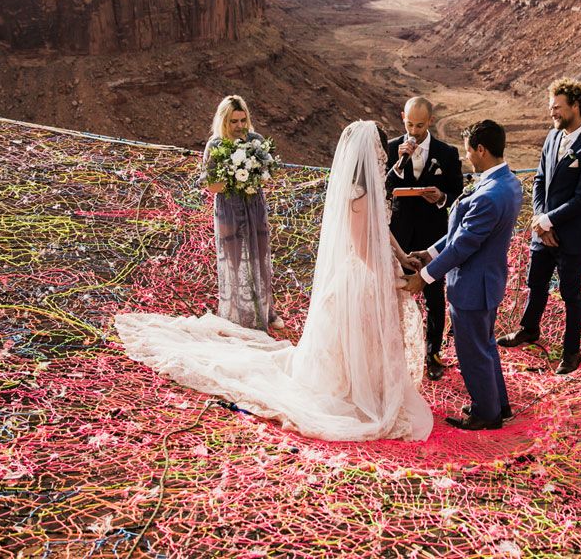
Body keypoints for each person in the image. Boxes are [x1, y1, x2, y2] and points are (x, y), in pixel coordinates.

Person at [115, 121, 433, 442]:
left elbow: (380, 228)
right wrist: (392, 278)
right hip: (360, 280)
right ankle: (354, 392)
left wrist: (402, 256)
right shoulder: (357, 196)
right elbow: (364, 247)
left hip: (370, 276)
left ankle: (371, 389)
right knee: (352, 341)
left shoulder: (371, 191)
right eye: (381, 151)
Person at [405, 120, 522, 431]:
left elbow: (461, 246)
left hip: (472, 286)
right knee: (485, 347)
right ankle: (498, 404)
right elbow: (462, 233)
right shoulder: (508, 182)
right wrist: (429, 252)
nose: (468, 157)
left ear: (481, 150)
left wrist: (425, 276)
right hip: (487, 282)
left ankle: (487, 414)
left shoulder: (489, 194)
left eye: (470, 151)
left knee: (473, 353)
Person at [498, 79, 581, 375]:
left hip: (571, 236)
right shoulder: (551, 137)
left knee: (571, 295)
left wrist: (548, 221)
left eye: (557, 108)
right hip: (542, 231)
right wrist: (538, 219)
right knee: (536, 284)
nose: (553, 113)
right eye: (551, 108)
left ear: (576, 106)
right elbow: (538, 180)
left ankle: (572, 352)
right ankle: (529, 329)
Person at [384, 97, 463, 381]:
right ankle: (396, 353)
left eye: (419, 125)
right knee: (395, 293)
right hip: (399, 237)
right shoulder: (391, 149)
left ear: (430, 121)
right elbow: (379, 188)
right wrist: (398, 166)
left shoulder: (447, 153)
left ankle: (432, 354)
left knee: (434, 296)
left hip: (433, 236)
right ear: (402, 117)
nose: (414, 131)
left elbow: (458, 195)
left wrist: (441, 198)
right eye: (409, 124)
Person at [201, 95, 282, 331]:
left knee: (260, 256)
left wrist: (254, 173)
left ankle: (267, 312)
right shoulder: (215, 146)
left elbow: (268, 175)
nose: (239, 126)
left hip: (254, 206)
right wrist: (236, 177)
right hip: (228, 208)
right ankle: (234, 315)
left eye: (242, 120)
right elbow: (211, 186)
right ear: (224, 121)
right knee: (233, 259)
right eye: (233, 121)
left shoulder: (256, 141)